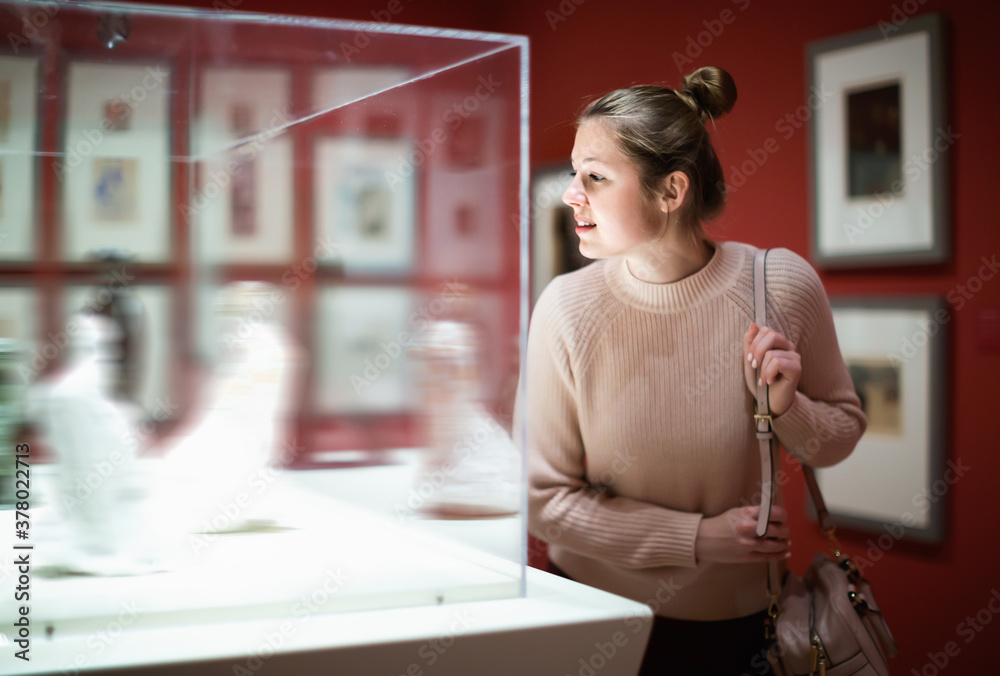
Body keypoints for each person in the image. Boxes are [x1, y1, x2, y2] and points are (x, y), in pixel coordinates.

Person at [519, 66, 867, 675]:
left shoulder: (778, 285)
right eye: (576, 175)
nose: (572, 193)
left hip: (736, 639)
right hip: (587, 623)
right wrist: (697, 539)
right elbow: (542, 501)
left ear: (672, 190)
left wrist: (789, 410)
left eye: (595, 178)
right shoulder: (564, 309)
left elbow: (839, 437)